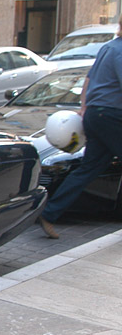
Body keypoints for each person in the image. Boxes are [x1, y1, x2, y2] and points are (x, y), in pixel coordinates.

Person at [37, 20, 122, 239]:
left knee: (88, 169)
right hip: (112, 115)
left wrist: (84, 107)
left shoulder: (109, 47)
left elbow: (88, 79)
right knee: (88, 169)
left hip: (95, 114)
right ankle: (49, 212)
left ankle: (49, 212)